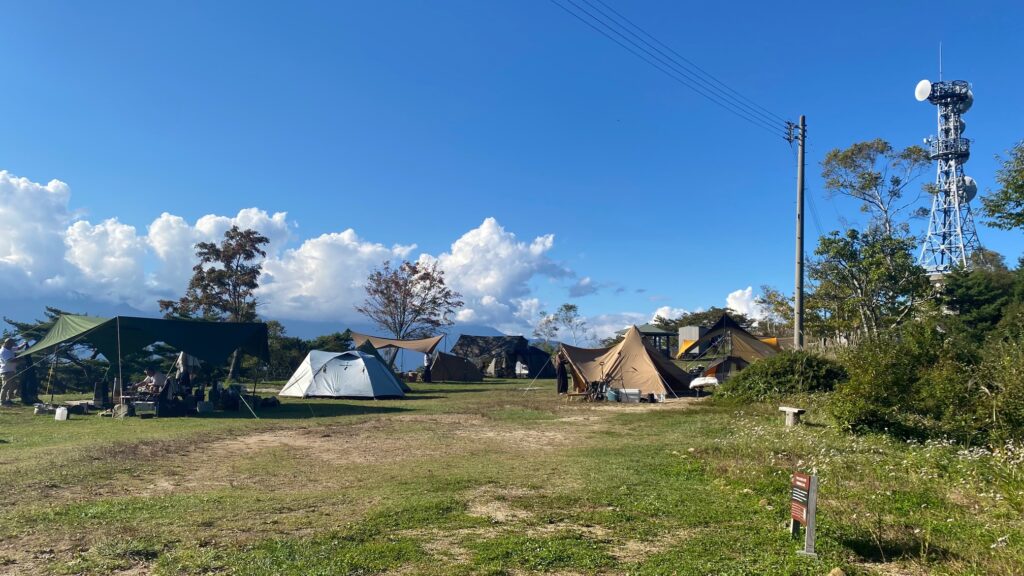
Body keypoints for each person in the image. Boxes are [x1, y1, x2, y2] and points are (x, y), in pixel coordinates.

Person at [0, 338, 27, 406]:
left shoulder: (10, 348)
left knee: (12, 386)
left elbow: (18, 348)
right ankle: (2, 401)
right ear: (7, 343)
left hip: (11, 371)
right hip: (6, 371)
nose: (12, 346)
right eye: (11, 344)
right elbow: (10, 361)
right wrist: (20, 359)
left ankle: (8, 400)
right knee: (5, 386)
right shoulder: (3, 351)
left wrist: (24, 344)